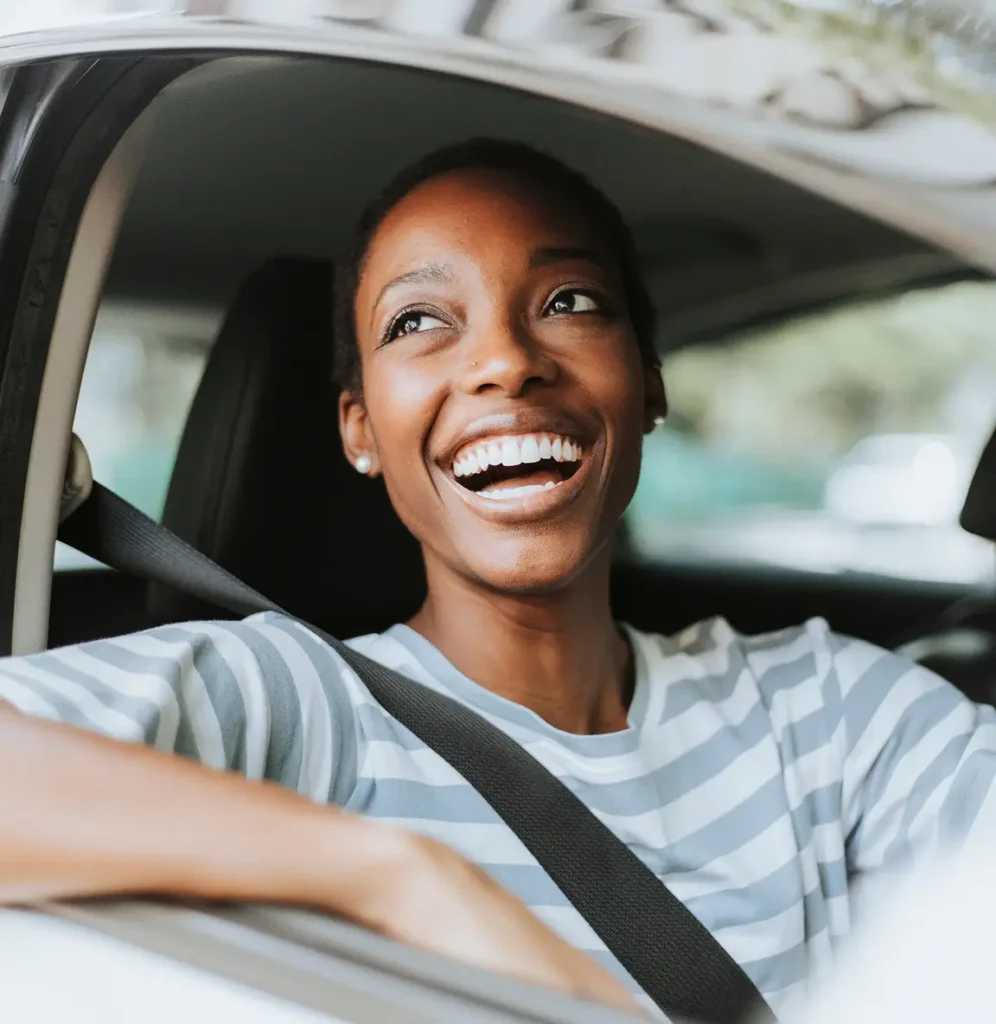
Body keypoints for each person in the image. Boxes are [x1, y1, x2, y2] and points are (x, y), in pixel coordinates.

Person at [0, 139, 993, 1019]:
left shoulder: (829, 709)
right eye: (420, 321)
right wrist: (402, 878)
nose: (507, 362)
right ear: (360, 430)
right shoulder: (300, 698)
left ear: (647, 383)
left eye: (569, 303)